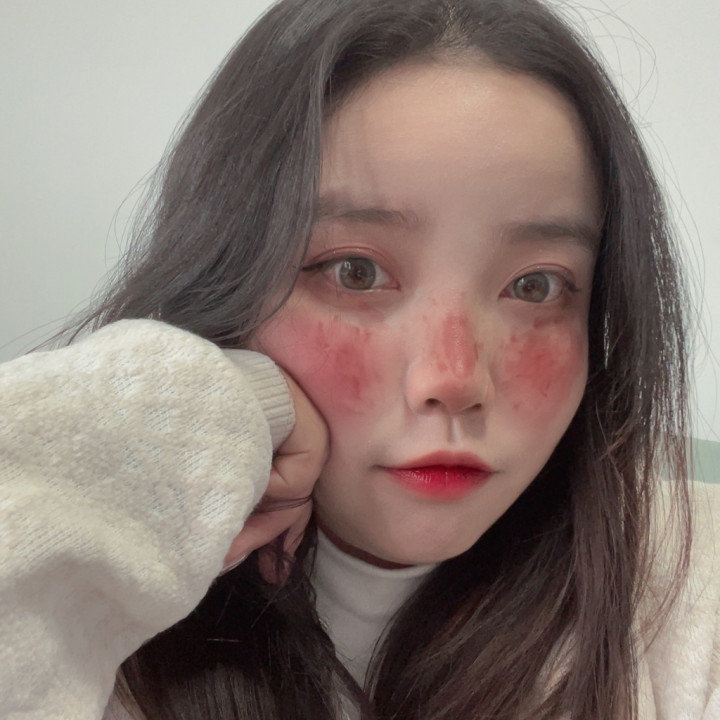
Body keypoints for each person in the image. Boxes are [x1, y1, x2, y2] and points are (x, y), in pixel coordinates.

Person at [1, 0, 718, 719]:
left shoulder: (691, 586)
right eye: (355, 273)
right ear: (228, 279)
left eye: (535, 286)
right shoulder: (100, 602)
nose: (452, 380)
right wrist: (190, 409)